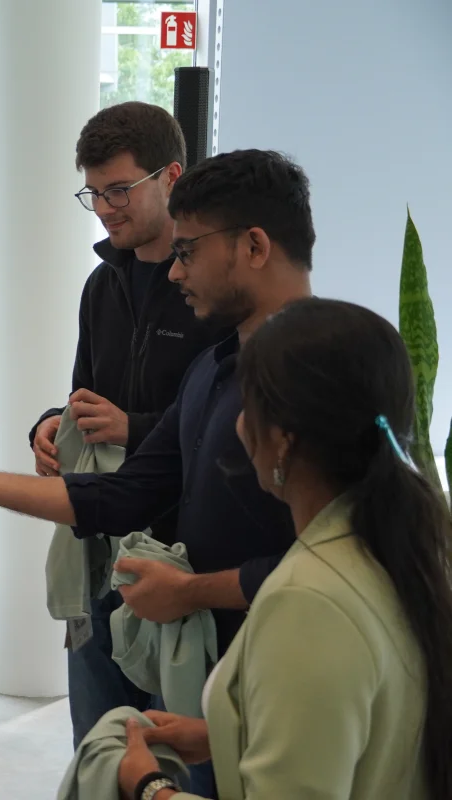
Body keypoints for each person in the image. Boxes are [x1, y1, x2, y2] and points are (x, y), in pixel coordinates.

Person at [0, 149, 316, 796]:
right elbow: (126, 494)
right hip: (209, 675)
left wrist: (193, 591)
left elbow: (340, 563)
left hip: (287, 675)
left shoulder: (330, 368)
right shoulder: (215, 368)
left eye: (188, 251)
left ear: (253, 246)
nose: (176, 271)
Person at [116, 297, 452, 799]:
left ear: (283, 441)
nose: (236, 423)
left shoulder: (306, 601)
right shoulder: (405, 548)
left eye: (245, 403)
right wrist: (227, 737)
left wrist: (149, 787)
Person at [29, 101, 228, 748]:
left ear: (171, 176)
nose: (105, 208)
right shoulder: (101, 287)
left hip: (180, 561)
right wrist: (53, 426)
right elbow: (85, 396)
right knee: (101, 751)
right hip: (99, 556)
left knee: (175, 753)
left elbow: (224, 427)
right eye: (94, 193)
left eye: (119, 190)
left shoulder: (214, 292)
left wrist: (133, 429)